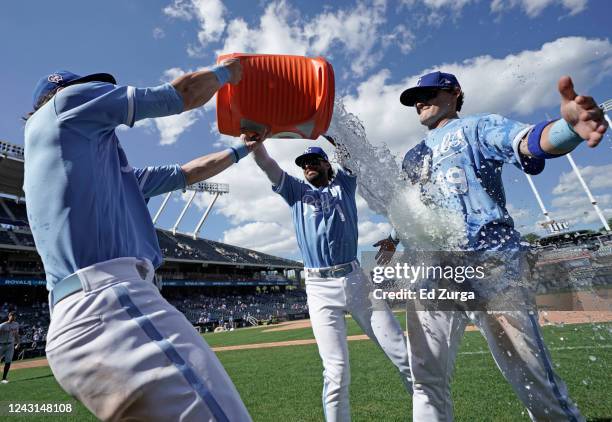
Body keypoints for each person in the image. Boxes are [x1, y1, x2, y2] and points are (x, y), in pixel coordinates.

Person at [23, 62, 260, 421]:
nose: (100, 95)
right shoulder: (64, 105)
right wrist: (231, 72)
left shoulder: (106, 173)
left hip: (79, 323)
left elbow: (191, 172)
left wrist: (244, 149)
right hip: (112, 305)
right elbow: (179, 96)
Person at [374, 71, 607, 421]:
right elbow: (417, 210)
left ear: (454, 93)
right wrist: (392, 241)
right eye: (414, 98)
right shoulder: (413, 155)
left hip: (490, 262)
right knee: (425, 378)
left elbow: (528, 141)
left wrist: (568, 129)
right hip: (436, 270)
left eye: (429, 93)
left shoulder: (477, 128)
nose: (420, 101)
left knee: (530, 377)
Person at [253, 142, 413, 421]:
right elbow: (267, 164)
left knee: (403, 356)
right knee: (336, 372)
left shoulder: (344, 186)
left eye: (314, 161)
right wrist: (254, 145)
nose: (308, 166)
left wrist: (327, 126)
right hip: (318, 287)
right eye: (304, 163)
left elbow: (349, 152)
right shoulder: (295, 191)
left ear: (328, 164)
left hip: (356, 281)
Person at [0, 311, 20, 384]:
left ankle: (4, 378)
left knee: (8, 361)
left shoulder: (16, 325)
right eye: (12, 315)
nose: (13, 317)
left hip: (10, 345)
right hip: (1, 345)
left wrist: (18, 343)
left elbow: (16, 334)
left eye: (14, 316)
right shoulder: (2, 325)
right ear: (9, 316)